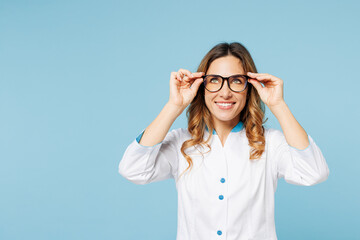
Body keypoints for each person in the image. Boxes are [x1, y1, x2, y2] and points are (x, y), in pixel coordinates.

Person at [118, 42, 330, 240]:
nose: (225, 92)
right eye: (214, 81)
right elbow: (133, 169)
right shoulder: (181, 142)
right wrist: (175, 105)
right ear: (202, 86)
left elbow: (313, 173)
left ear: (249, 87)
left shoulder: (270, 142)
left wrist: (278, 104)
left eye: (236, 81)